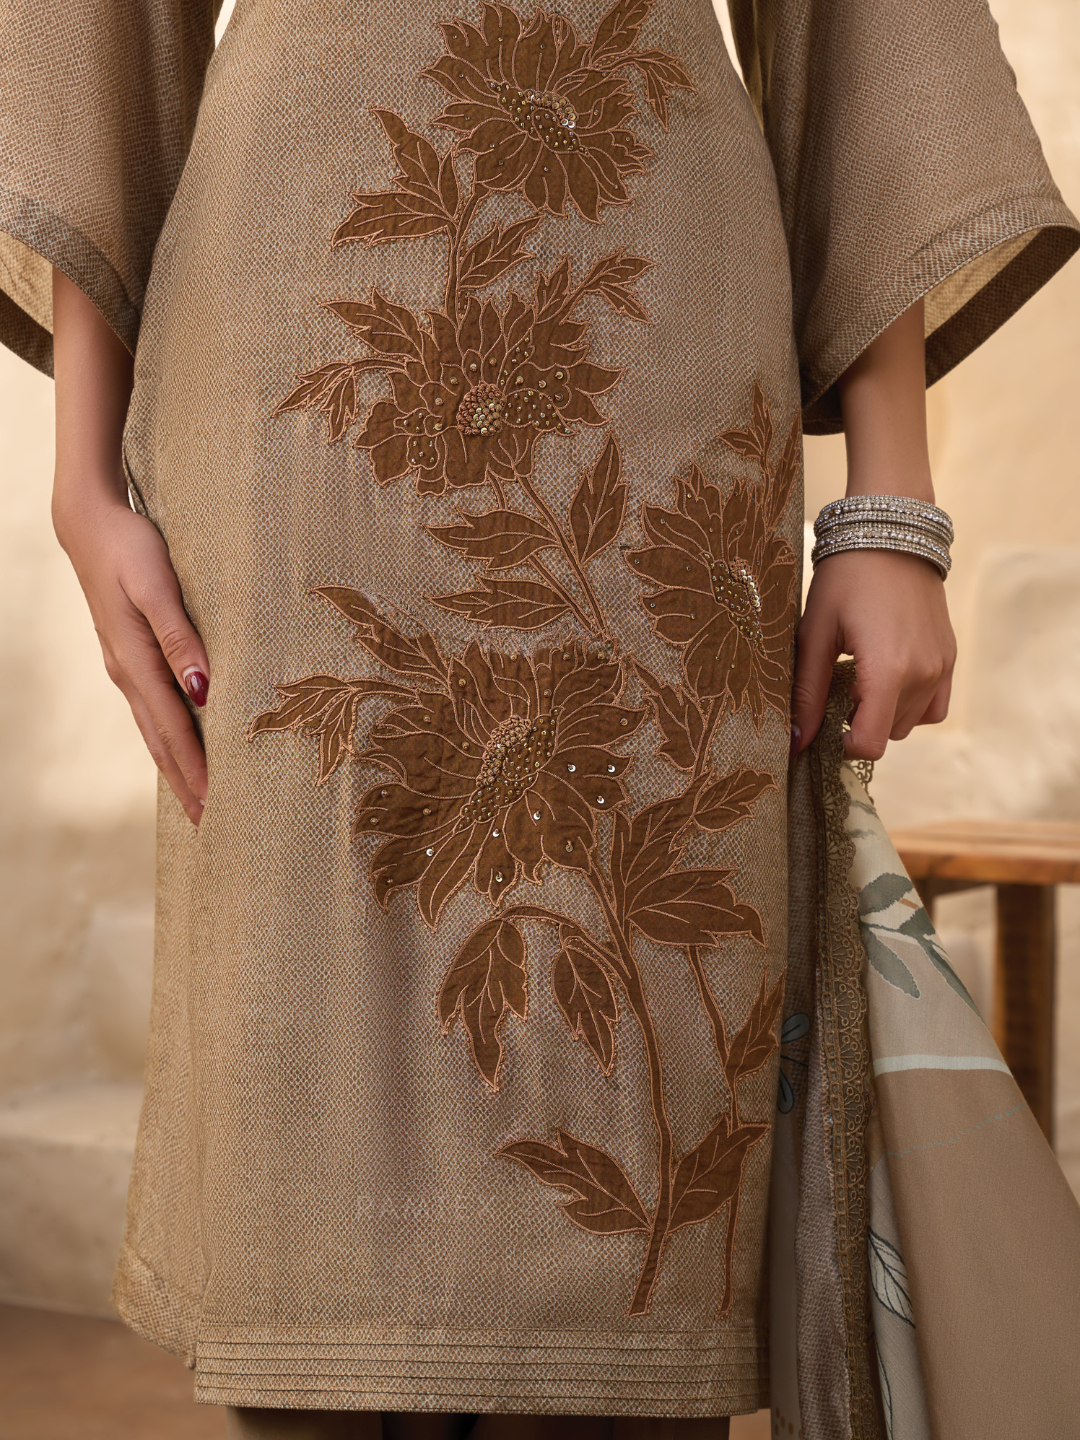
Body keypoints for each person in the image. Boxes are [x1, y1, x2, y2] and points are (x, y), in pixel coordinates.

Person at [0, 1, 1076, 1436]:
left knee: (636, 1231)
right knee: (303, 1217)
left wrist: (892, 507)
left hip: (656, 338)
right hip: (289, 376)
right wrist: (80, 481)